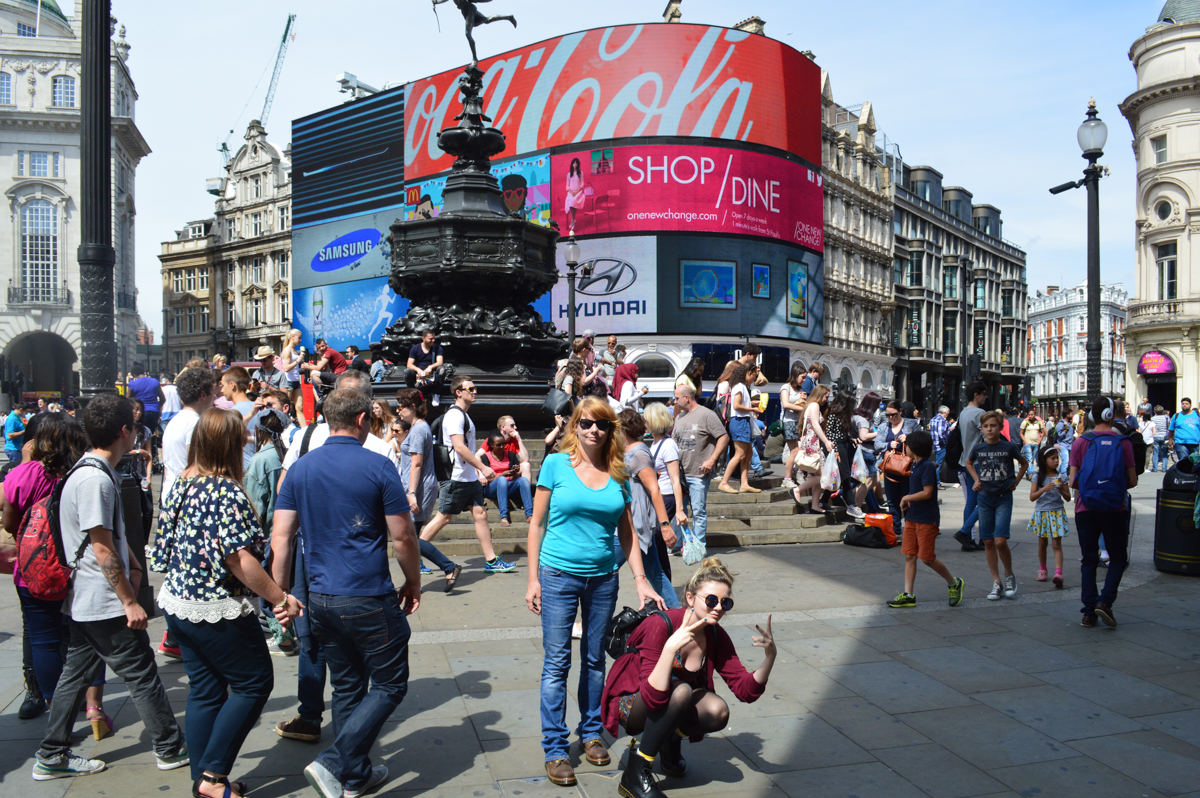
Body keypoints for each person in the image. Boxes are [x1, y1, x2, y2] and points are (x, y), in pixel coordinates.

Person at [271, 388, 421, 798]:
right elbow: (403, 535)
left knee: (348, 684)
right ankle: (334, 762)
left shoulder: (300, 468)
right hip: (367, 595)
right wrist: (413, 579)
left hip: (320, 597)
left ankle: (353, 775)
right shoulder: (378, 465)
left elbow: (280, 537)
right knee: (391, 683)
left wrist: (280, 594)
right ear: (361, 420)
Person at [31, 393, 189, 782]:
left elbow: (106, 541)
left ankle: (51, 753)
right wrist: (129, 601)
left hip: (87, 600)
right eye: (134, 426)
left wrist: (133, 564)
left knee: (75, 674)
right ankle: (170, 747)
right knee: (141, 672)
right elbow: (100, 546)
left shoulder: (89, 472)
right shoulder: (94, 479)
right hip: (102, 601)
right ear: (125, 431)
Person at [149, 409, 300, 798]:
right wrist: (280, 597)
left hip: (179, 602)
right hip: (215, 607)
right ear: (230, 445)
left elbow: (164, 547)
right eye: (242, 438)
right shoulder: (225, 491)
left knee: (206, 691)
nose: (248, 442)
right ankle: (214, 777)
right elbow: (240, 559)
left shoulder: (184, 482)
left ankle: (204, 782)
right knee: (254, 683)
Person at [524, 397, 664, 787]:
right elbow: (536, 525)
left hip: (603, 578)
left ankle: (589, 733)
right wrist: (532, 578)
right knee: (557, 663)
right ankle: (554, 748)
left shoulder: (618, 471)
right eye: (586, 424)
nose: (594, 431)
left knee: (594, 660)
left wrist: (639, 578)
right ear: (575, 426)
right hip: (558, 575)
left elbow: (627, 532)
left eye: (602, 425)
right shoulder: (555, 464)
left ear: (610, 430)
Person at [273, 371, 396, 745]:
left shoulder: (372, 448)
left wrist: (278, 596)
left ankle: (337, 743)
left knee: (333, 654)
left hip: (319, 566)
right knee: (365, 665)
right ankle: (328, 733)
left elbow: (282, 522)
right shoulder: (373, 452)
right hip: (358, 573)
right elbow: (402, 531)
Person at [600, 558, 774, 798]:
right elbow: (651, 698)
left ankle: (667, 738)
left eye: (726, 602)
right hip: (634, 702)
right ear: (691, 598)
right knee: (680, 690)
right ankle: (637, 771)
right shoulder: (659, 625)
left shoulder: (715, 634)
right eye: (711, 600)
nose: (718, 608)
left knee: (718, 710)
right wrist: (670, 650)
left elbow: (744, 689)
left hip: (669, 701)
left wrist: (770, 658)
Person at [4, 414, 104, 727]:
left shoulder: (25, 473)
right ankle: (91, 706)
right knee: (85, 637)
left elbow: (8, 522)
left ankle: (50, 705)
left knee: (42, 638)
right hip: (79, 565)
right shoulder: (80, 471)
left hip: (36, 568)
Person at [417, 376, 516, 573]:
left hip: (468, 477)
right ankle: (415, 553)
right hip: (456, 477)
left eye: (475, 388)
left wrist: (476, 471)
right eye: (470, 388)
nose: (474, 391)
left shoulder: (464, 415)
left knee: (480, 514)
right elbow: (459, 447)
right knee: (443, 517)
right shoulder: (455, 416)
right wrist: (483, 467)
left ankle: (491, 561)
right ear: (458, 392)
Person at [887, 430, 965, 609]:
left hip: (926, 519)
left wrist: (906, 498)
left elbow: (927, 492)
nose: (904, 448)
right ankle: (908, 594)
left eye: (907, 445)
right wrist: (908, 501)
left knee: (927, 558)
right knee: (909, 555)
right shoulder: (916, 465)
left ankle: (954, 583)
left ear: (914, 448)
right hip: (913, 517)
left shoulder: (927, 466)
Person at [395, 389, 461, 590]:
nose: (398, 410)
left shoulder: (417, 430)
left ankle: (448, 566)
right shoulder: (418, 428)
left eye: (401, 406)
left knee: (410, 537)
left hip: (419, 488)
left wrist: (412, 493)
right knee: (409, 537)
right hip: (417, 486)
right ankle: (418, 578)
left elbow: (416, 464)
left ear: (413, 407)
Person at [619, 408, 680, 611]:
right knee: (656, 573)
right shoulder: (630, 451)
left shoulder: (638, 453)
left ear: (623, 429)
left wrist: (665, 525)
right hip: (634, 522)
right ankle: (676, 615)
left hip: (635, 525)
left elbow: (655, 490)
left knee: (602, 572)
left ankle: (592, 622)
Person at [245, 407, 294, 656]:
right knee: (289, 587)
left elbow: (254, 507)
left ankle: (283, 637)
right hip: (293, 534)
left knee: (273, 591)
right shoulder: (289, 455)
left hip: (269, 536)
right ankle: (289, 633)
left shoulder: (259, 461)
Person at [965, 410, 1027, 602]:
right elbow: (968, 463)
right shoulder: (978, 448)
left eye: (993, 426)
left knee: (1000, 540)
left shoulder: (1008, 447)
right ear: (981, 429)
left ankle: (1008, 575)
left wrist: (1015, 482)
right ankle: (996, 581)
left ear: (1000, 427)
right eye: (986, 426)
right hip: (984, 497)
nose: (989, 429)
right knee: (988, 541)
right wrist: (976, 479)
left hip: (1003, 497)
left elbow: (1023, 463)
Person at [671, 384, 729, 552]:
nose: (675, 402)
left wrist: (712, 459)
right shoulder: (679, 418)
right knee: (679, 510)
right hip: (680, 475)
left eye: (677, 398)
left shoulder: (706, 415)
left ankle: (698, 546)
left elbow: (723, 437)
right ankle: (679, 544)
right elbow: (674, 443)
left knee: (698, 511)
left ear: (686, 398)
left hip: (698, 473)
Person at [644, 403, 686, 604]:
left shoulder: (667, 445)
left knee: (657, 545)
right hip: (660, 497)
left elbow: (675, 479)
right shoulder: (655, 444)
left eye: (646, 418)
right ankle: (663, 593)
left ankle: (665, 593)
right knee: (658, 546)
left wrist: (679, 509)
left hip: (666, 497)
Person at [1029, 447, 1070, 589]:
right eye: (1052, 458)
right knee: (1042, 543)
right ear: (1044, 461)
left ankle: (1058, 573)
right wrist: (1043, 489)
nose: (1056, 461)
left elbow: (1068, 498)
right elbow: (1032, 497)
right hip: (1042, 513)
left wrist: (1061, 490)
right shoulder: (1037, 477)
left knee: (1056, 544)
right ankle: (1043, 569)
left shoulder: (1062, 477)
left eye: (1057, 458)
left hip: (1057, 512)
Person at [955, 381, 989, 551]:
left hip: (966, 461)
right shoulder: (979, 413)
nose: (986, 397)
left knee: (971, 502)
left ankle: (968, 538)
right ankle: (968, 532)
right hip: (980, 463)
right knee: (984, 500)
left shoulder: (963, 413)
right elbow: (987, 435)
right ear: (976, 395)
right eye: (984, 394)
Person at [878, 400, 919, 538]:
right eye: (888, 415)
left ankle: (909, 528)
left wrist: (908, 438)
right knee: (892, 501)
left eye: (893, 414)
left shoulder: (911, 424)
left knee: (909, 499)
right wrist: (889, 444)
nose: (891, 418)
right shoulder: (884, 426)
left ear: (900, 411)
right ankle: (896, 529)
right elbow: (877, 444)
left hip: (907, 468)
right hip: (890, 468)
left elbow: (921, 441)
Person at [717, 364, 760, 495]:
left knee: (748, 454)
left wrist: (751, 404)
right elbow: (736, 405)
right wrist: (752, 409)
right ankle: (724, 482)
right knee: (740, 454)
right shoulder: (739, 386)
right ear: (749, 372)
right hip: (740, 421)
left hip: (743, 421)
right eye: (754, 375)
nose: (754, 378)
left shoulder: (741, 386)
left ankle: (744, 483)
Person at [478, 431, 533, 526]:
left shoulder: (510, 454)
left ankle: (530, 514)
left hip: (508, 486)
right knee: (502, 480)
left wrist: (514, 473)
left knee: (523, 480)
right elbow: (487, 481)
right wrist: (502, 475)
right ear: (491, 445)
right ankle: (504, 516)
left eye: (504, 444)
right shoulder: (486, 457)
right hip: (491, 488)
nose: (502, 447)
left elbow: (513, 477)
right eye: (498, 445)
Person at [793, 385, 833, 513]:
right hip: (813, 443)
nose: (827, 399)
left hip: (811, 442)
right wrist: (826, 441)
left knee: (821, 476)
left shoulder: (811, 405)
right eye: (826, 396)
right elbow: (815, 424)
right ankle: (797, 490)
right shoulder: (815, 406)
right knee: (824, 477)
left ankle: (815, 505)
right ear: (820, 394)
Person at [826, 392, 865, 520]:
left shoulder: (843, 415)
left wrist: (851, 439)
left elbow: (840, 433)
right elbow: (830, 433)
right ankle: (852, 505)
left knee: (840, 475)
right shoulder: (833, 414)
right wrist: (835, 449)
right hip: (837, 446)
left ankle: (823, 500)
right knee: (845, 475)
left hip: (842, 445)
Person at [220, 367, 259, 468]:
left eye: (223, 385)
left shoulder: (229, 414)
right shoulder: (260, 409)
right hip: (259, 468)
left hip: (241, 470)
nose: (221, 390)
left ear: (232, 385)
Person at [851, 392, 884, 512]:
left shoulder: (858, 416)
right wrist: (880, 432)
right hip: (866, 451)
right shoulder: (863, 420)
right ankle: (856, 507)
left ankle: (850, 498)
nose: (878, 407)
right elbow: (864, 436)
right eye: (877, 404)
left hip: (865, 451)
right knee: (868, 481)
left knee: (873, 481)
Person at [779, 362, 806, 489]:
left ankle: (798, 472)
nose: (804, 380)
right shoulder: (786, 387)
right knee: (794, 451)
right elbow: (786, 404)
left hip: (798, 422)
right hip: (789, 422)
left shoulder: (800, 390)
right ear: (795, 375)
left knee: (801, 450)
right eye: (803, 377)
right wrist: (802, 408)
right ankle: (787, 478)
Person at [405, 330, 446, 406]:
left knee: (442, 370)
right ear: (423, 338)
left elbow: (440, 362)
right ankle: (413, 394)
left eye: (434, 338)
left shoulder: (437, 348)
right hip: (419, 374)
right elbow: (409, 364)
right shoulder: (415, 348)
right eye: (430, 339)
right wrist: (418, 370)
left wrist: (430, 367)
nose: (432, 340)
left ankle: (436, 394)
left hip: (432, 373)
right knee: (407, 372)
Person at [127, 365, 165, 432]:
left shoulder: (133, 384)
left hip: (141, 412)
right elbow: (163, 398)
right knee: (151, 433)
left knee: (141, 433)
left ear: (134, 375)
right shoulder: (155, 382)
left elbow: (127, 399)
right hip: (154, 411)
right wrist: (157, 406)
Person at [280, 329, 307, 426]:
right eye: (299, 338)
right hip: (289, 381)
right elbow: (286, 368)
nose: (300, 340)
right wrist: (298, 360)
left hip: (296, 381)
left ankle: (304, 430)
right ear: (292, 337)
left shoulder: (294, 350)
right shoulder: (287, 350)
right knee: (286, 407)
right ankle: (284, 427)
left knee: (299, 407)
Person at [498, 415, 532, 484]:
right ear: (503, 427)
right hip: (497, 471)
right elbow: (478, 456)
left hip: (511, 471)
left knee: (526, 465)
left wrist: (519, 439)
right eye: (512, 425)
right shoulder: (493, 440)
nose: (515, 428)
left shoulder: (514, 440)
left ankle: (526, 492)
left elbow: (525, 459)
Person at [1169, 397, 1200, 462]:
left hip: (1195, 443)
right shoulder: (1176, 416)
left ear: (1190, 405)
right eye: (1183, 403)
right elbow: (1171, 430)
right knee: (1184, 462)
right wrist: (1170, 442)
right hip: (1180, 443)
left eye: (1187, 403)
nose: (1184, 405)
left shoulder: (1197, 415)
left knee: (1195, 462)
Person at [1019, 409, 1045, 478]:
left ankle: (1028, 474)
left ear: (1035, 415)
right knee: (1029, 458)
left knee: (1032, 459)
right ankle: (1031, 474)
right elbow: (1021, 433)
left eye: (1032, 415)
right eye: (1029, 415)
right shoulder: (1025, 422)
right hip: (1028, 443)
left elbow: (1043, 432)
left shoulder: (1039, 423)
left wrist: (1039, 442)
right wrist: (1025, 442)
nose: (1030, 416)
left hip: (1036, 444)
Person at [564, 156, 584, 235]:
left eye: (576, 163)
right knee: (571, 202)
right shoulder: (569, 174)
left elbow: (582, 184)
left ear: (578, 164)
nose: (575, 164)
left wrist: (577, 191)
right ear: (572, 164)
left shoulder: (580, 173)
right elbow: (567, 186)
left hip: (578, 192)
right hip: (571, 192)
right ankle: (573, 220)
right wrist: (571, 192)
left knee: (574, 201)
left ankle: (572, 220)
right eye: (574, 163)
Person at [930, 406, 951, 473]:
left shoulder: (933, 419)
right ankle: (937, 482)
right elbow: (941, 434)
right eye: (947, 413)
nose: (947, 415)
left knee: (937, 463)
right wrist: (946, 442)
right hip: (940, 445)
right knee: (939, 465)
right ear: (944, 413)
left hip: (935, 444)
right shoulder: (942, 420)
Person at [1152, 404, 1171, 472]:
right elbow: (1169, 426)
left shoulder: (1153, 418)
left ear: (1155, 412)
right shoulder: (1166, 417)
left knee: (1155, 452)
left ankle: (1155, 468)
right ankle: (1164, 468)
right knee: (1165, 453)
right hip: (1164, 436)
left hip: (1155, 436)